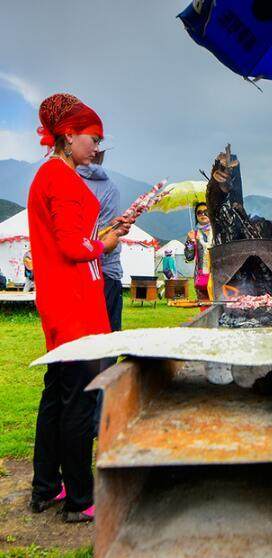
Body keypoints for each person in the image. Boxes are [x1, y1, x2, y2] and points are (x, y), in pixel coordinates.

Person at [27, 93, 129, 523]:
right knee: (79, 398)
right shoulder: (64, 180)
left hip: (59, 296)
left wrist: (105, 231)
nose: (97, 146)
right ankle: (80, 498)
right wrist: (104, 243)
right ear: (68, 136)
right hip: (75, 300)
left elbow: (66, 234)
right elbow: (73, 246)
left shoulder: (50, 176)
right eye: (93, 138)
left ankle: (47, 487)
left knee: (57, 393)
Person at [77, 151, 125, 333]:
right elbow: (107, 239)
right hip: (104, 271)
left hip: (73, 274)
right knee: (106, 340)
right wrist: (110, 238)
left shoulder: (66, 179)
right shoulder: (109, 188)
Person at [185, 202, 212, 301]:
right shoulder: (193, 234)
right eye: (199, 212)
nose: (203, 215)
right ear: (196, 216)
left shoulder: (217, 232)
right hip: (201, 276)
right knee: (203, 306)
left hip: (217, 275)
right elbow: (189, 256)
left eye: (206, 212)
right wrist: (190, 242)